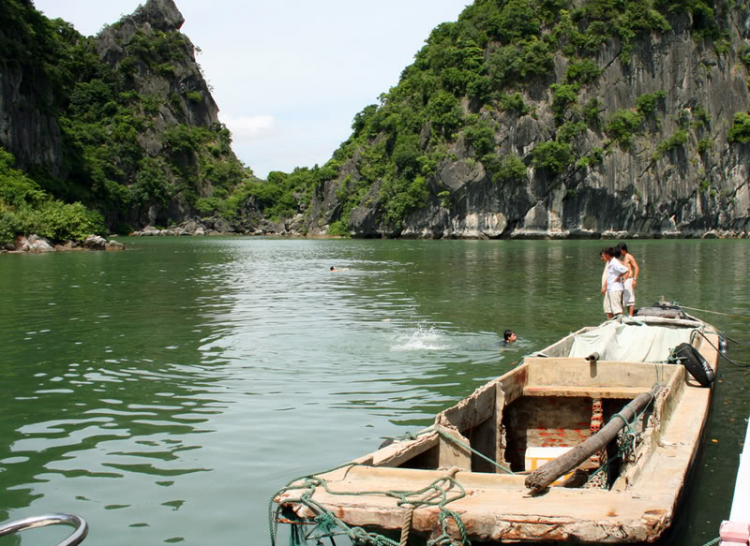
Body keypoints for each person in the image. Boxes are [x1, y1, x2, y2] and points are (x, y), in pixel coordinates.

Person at [600, 247, 629, 319]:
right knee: (611, 308)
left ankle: (618, 324)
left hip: (615, 289)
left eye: (604, 254)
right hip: (611, 289)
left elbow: (626, 270)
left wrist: (619, 277)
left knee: (617, 310)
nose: (603, 256)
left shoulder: (614, 263)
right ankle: (613, 324)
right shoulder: (610, 262)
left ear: (608, 255)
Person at [617, 243, 640, 316]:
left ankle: (631, 316)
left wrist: (634, 279)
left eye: (619, 250)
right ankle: (629, 315)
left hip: (629, 280)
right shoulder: (624, 258)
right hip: (625, 281)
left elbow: (636, 268)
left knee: (630, 299)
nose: (619, 252)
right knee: (626, 300)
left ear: (623, 250)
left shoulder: (629, 256)